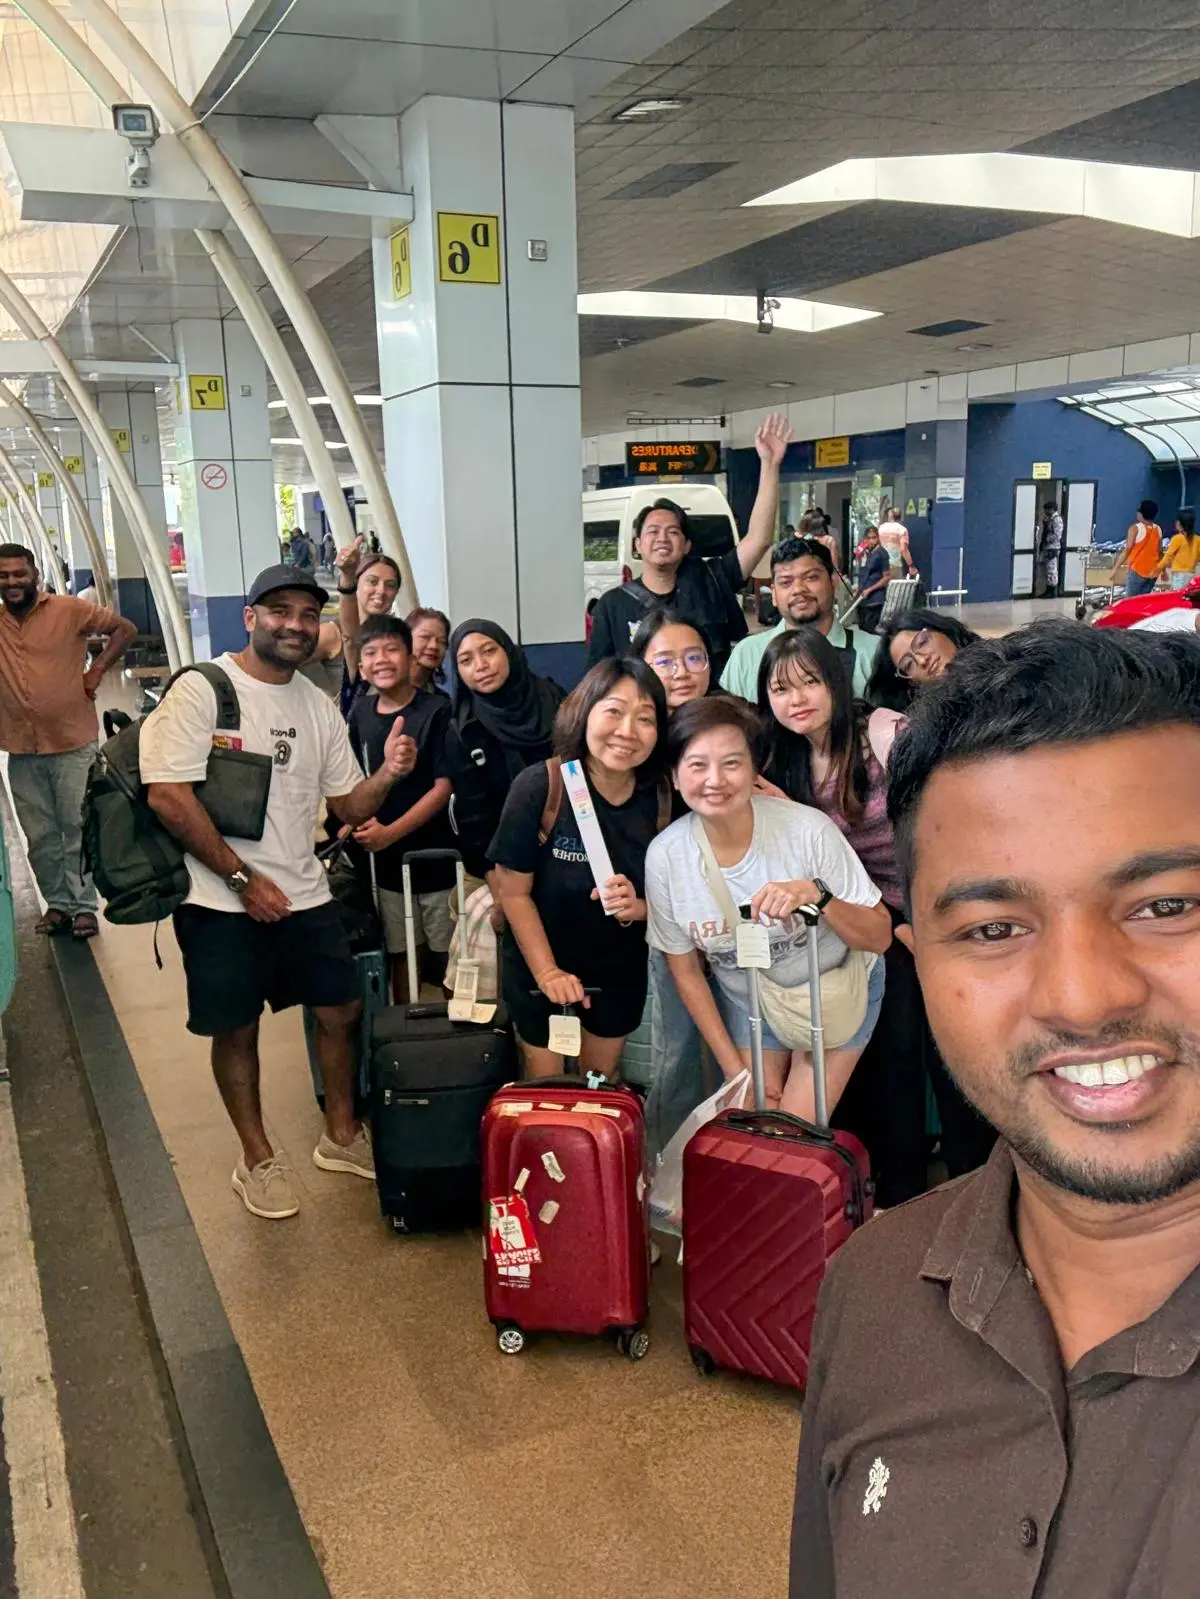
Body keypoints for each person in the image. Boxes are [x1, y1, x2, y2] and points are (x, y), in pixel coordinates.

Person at [790, 619, 1200, 1597]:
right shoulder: (872, 1287)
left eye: (1167, 905)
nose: (1084, 998)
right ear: (920, 958)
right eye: (993, 928)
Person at [139, 564, 418, 1221]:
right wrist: (241, 878)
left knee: (340, 1009)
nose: (295, 624)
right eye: (280, 611)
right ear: (250, 618)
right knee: (237, 1029)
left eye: (307, 614)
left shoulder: (317, 706)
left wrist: (387, 774)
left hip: (304, 893)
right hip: (218, 898)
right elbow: (168, 796)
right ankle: (257, 1158)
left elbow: (347, 802)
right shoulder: (203, 689)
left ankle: (340, 1134)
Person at [757, 628, 994, 1202]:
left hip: (937, 905)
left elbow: (947, 825)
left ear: (836, 682)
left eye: (810, 682)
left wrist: (928, 923)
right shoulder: (783, 762)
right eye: (781, 689)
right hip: (873, 917)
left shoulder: (886, 735)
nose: (797, 699)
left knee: (955, 1045)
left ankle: (979, 1182)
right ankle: (899, 1191)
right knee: (893, 1052)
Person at [645, 696, 891, 1120]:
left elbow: (879, 936)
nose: (715, 780)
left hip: (833, 988)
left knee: (794, 1128)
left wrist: (819, 897)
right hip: (752, 1001)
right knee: (755, 1118)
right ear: (674, 774)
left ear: (754, 769)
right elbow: (686, 972)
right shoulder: (666, 857)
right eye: (698, 765)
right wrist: (733, 1070)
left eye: (732, 763)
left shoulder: (807, 830)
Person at [490, 658, 668, 1079]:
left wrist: (642, 907)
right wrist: (547, 972)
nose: (627, 730)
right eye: (614, 711)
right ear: (584, 711)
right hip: (539, 966)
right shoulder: (541, 786)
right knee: (547, 1089)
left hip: (619, 970)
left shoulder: (663, 798)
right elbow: (512, 892)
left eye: (645, 718)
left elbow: (681, 895)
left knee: (598, 1086)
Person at [587, 413, 793, 679]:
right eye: (653, 531)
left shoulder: (713, 579)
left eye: (673, 532)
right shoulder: (612, 606)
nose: (663, 538)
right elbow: (600, 677)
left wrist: (769, 464)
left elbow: (759, 538)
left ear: (686, 546)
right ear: (638, 545)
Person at [0, 543, 136, 940]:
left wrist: (96, 672)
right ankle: (57, 904)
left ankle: (84, 907)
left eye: (18, 573)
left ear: (35, 575)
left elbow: (123, 629)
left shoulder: (69, 609)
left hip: (73, 742)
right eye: (3, 575)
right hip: (22, 749)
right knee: (40, 834)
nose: (11, 581)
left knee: (77, 826)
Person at [347, 615, 454, 1001]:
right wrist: (351, 822)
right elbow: (353, 778)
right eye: (371, 653)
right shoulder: (360, 713)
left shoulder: (438, 710)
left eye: (392, 650)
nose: (382, 659)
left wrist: (390, 833)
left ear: (410, 659)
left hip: (437, 858)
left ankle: (455, 1025)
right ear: (361, 668)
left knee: (447, 953)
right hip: (385, 865)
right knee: (401, 951)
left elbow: (444, 787)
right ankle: (405, 1023)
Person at [441, 620, 564, 887]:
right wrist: (493, 877)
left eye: (489, 651)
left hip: (567, 845)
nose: (481, 665)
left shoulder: (553, 699)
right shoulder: (465, 731)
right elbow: (474, 817)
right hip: (506, 859)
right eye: (466, 660)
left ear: (508, 651)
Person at [721, 536, 879, 702]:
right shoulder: (747, 655)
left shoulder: (873, 653)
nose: (798, 589)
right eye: (786, 582)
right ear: (774, 594)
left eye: (811, 578)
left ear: (833, 582)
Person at [866, 608, 980, 711]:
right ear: (912, 682)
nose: (922, 661)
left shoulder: (990, 661)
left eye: (922, 643)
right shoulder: (929, 722)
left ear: (943, 631)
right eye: (908, 665)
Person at [631, 608, 716, 712]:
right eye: (664, 662)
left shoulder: (731, 716)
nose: (682, 673)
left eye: (693, 658)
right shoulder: (628, 720)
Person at [1111, 497, 1163, 596]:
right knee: (1143, 600)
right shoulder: (1158, 529)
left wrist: (1115, 567)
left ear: (1141, 513)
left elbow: (1128, 549)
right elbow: (1160, 552)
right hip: (1153, 572)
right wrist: (1163, 570)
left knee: (1131, 600)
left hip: (1138, 570)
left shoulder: (1135, 528)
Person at [1152, 505, 1200, 591]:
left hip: (1179, 576)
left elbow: (1168, 557)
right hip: (1191, 574)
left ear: (1180, 524)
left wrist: (1157, 569)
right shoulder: (1198, 539)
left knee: (1178, 595)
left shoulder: (1177, 538)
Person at [405, 606, 451, 694]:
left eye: (441, 641)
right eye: (425, 637)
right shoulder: (384, 689)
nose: (434, 646)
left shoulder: (441, 699)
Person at [855, 524, 890, 632]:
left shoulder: (881, 553)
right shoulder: (866, 553)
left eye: (874, 538)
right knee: (862, 628)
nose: (871, 541)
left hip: (875, 598)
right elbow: (862, 572)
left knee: (870, 628)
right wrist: (859, 589)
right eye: (868, 538)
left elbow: (886, 577)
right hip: (863, 598)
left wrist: (869, 590)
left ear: (878, 538)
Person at [877, 506, 919, 580]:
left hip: (880, 565)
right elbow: (904, 550)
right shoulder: (902, 530)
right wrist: (911, 565)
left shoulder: (880, 528)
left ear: (890, 516)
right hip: (894, 565)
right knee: (896, 586)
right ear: (900, 517)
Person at [1036, 499, 1064, 597]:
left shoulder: (1056, 519)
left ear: (1052, 509)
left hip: (1053, 547)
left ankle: (1052, 590)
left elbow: (1057, 535)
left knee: (1052, 569)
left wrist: (1047, 539)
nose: (1045, 512)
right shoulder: (1049, 519)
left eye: (1047, 510)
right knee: (1048, 569)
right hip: (1048, 547)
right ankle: (1048, 589)